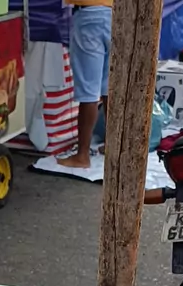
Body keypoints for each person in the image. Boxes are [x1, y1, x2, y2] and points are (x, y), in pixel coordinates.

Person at [57, 0, 113, 170]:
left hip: (89, 14)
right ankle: (113, 146)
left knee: (89, 91)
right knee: (109, 86)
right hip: (114, 14)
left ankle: (82, 155)